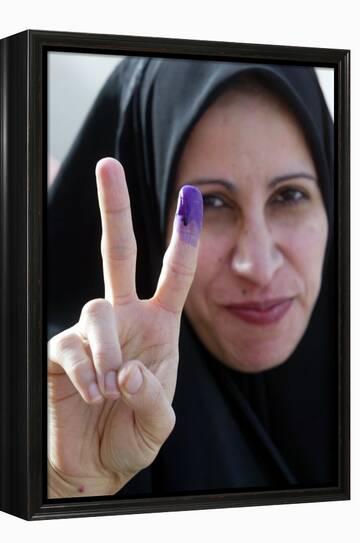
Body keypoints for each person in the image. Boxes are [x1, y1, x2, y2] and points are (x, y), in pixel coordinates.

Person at [47, 58, 337, 498]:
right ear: (147, 217)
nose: (257, 266)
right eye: (212, 204)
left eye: (290, 195)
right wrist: (65, 486)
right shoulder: (61, 402)